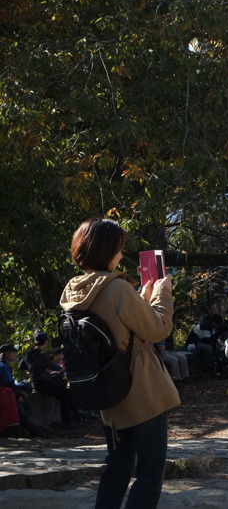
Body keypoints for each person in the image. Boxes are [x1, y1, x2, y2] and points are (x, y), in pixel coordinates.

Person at [59, 218, 179, 509]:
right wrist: (162, 291)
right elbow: (157, 329)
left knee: (118, 467)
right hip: (141, 390)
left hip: (108, 390)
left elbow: (116, 325)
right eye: (118, 248)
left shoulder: (72, 291)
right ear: (106, 249)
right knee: (150, 471)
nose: (121, 254)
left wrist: (141, 299)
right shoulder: (116, 289)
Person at [23, 331, 77, 428]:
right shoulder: (41, 354)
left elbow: (21, 366)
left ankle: (70, 420)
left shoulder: (28, 353)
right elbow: (50, 365)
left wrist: (35, 368)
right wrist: (61, 368)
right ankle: (69, 421)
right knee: (66, 390)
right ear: (45, 342)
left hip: (35, 382)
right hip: (43, 382)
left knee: (63, 394)